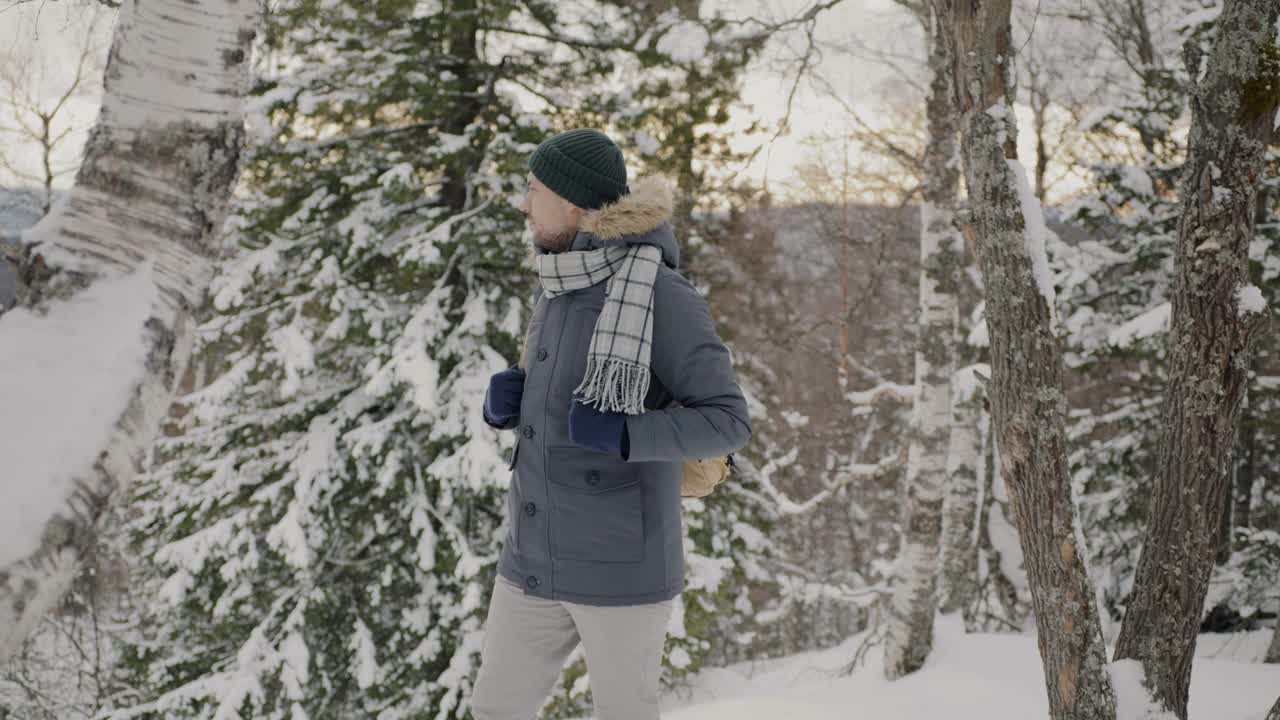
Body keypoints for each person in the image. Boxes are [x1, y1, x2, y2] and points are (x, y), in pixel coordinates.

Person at [470, 127, 752, 720]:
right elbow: (565, 397)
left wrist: (629, 434)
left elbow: (727, 422)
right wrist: (513, 404)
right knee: (495, 710)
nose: (524, 203)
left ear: (573, 202)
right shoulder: (559, 280)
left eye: (533, 189)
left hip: (621, 572)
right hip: (531, 564)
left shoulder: (663, 295)